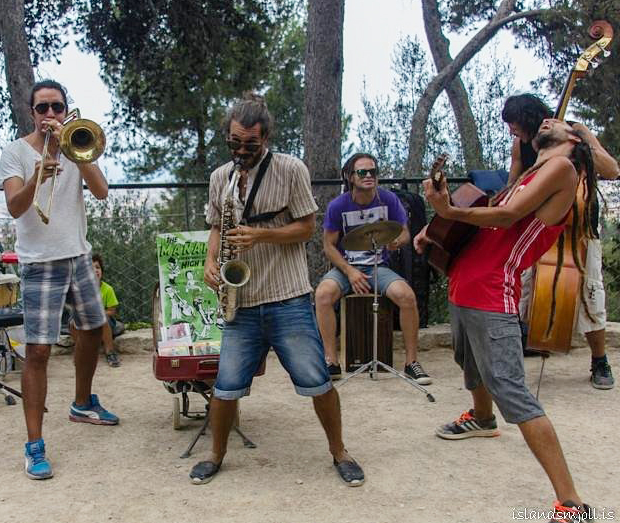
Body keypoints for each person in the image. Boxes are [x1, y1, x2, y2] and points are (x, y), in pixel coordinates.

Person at [415, 118, 598, 520]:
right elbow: (489, 214)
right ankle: (481, 418)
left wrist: (445, 209)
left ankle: (572, 504)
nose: (549, 119)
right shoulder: (530, 172)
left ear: (574, 139)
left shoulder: (563, 170)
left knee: (513, 392)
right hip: (466, 282)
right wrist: (435, 228)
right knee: (471, 364)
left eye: (562, 122)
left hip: (492, 292)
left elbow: (505, 217)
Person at [189, 93, 363, 487]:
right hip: (242, 304)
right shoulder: (221, 177)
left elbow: (306, 228)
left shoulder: (290, 168)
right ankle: (215, 454)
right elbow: (216, 226)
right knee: (226, 385)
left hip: (288, 298)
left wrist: (261, 235)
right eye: (234, 142)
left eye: (250, 144)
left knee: (317, 379)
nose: (241, 151)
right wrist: (210, 261)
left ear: (265, 137)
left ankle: (340, 451)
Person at [0, 79, 117, 481]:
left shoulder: (75, 142)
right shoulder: (15, 152)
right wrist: (37, 177)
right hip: (41, 262)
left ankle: (82, 402)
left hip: (78, 254)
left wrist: (76, 154)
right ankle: (34, 445)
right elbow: (15, 207)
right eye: (42, 108)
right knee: (38, 353)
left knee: (92, 328)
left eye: (57, 107)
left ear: (67, 110)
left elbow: (101, 192)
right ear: (31, 112)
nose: (50, 115)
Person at [502, 93, 619, 389]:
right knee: (524, 293)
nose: (511, 131)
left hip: (580, 229)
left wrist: (581, 140)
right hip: (539, 228)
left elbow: (612, 169)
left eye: (514, 124)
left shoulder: (576, 132)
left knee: (590, 294)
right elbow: (514, 182)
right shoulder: (522, 146)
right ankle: (522, 353)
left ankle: (599, 360)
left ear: (528, 118)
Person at [315, 153, 432, 383]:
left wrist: (397, 241)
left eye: (373, 172)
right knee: (322, 295)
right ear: (350, 177)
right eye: (362, 172)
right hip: (346, 268)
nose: (369, 176)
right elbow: (328, 246)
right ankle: (331, 361)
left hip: (379, 266)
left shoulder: (388, 199)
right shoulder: (338, 205)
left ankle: (412, 362)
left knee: (407, 296)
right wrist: (349, 271)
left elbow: (405, 233)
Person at [91, 252, 124, 367]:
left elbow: (112, 311)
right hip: (86, 320)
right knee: (73, 321)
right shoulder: (81, 290)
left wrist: (98, 314)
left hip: (104, 321)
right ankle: (82, 352)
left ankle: (110, 352)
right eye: (91, 269)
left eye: (97, 267)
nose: (95, 271)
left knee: (103, 317)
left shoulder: (107, 289)